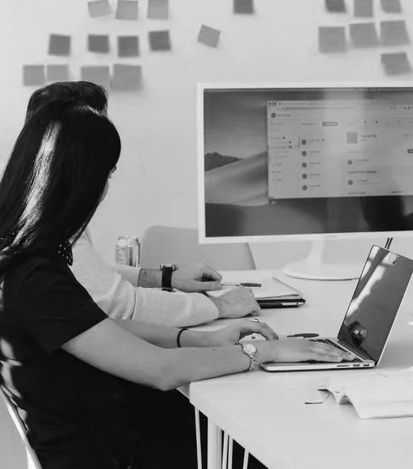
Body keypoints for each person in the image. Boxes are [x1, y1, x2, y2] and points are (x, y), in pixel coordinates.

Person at [0, 100, 352, 469]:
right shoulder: (36, 276)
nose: (105, 190)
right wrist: (261, 352)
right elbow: (159, 372)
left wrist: (199, 338)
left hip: (72, 452)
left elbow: (100, 330)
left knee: (243, 466)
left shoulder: (22, 257)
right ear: (81, 181)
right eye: (106, 175)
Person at [25, 81, 259, 327]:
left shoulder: (40, 202)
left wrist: (166, 278)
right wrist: (220, 306)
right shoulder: (46, 222)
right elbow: (121, 306)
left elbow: (90, 278)